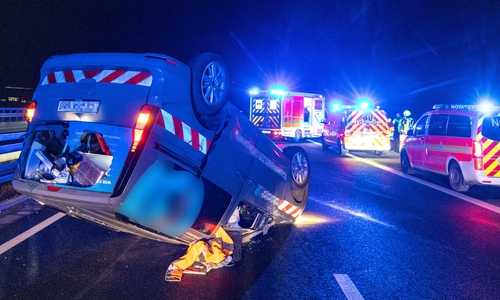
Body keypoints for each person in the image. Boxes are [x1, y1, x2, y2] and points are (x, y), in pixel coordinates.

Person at [165, 223, 234, 282]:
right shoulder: (218, 255)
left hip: (217, 241)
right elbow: (200, 245)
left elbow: (199, 246)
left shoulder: (218, 256)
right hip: (214, 234)